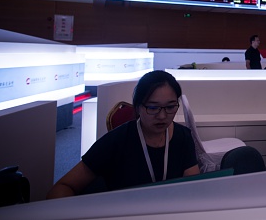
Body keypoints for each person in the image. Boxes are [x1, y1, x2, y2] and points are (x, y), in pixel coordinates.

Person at [47, 71, 199, 199]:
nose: (162, 116)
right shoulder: (116, 141)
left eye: (170, 107)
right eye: (153, 108)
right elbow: (63, 186)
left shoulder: (183, 137)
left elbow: (193, 188)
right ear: (138, 107)